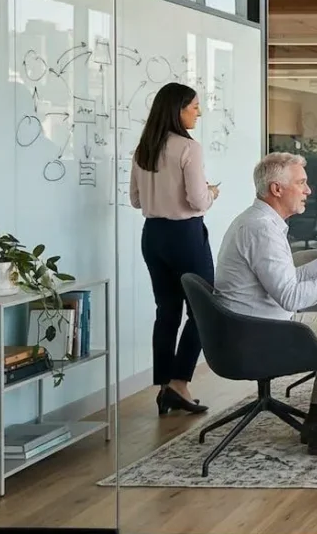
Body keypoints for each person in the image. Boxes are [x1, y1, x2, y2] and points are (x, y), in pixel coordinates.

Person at [214, 152, 317, 457]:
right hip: (258, 333)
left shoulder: (261, 221)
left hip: (257, 322)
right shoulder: (262, 229)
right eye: (301, 183)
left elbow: (284, 281)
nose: (309, 191)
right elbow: (291, 297)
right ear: (277, 189)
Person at [130, 82, 219, 417]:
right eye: (194, 106)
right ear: (178, 109)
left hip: (153, 235)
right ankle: (180, 383)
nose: (199, 111)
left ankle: (165, 385)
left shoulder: (145, 148)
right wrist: (212, 193)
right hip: (185, 235)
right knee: (203, 308)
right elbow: (197, 201)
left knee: (166, 311)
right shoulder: (188, 148)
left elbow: (136, 199)